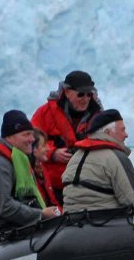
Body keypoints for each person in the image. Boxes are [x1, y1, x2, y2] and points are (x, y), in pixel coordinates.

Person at [0, 110, 62, 233]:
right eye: (26, 134)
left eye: (31, 134)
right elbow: (4, 206)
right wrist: (41, 214)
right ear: (10, 136)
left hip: (16, 227)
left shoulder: (16, 160)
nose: (32, 139)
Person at [31, 70, 103, 203]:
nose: (85, 99)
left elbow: (107, 142)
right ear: (67, 92)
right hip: (54, 186)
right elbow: (31, 142)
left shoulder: (98, 115)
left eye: (89, 94)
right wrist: (53, 153)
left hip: (87, 184)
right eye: (81, 94)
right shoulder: (44, 113)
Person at [62, 109, 134, 211]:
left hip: (70, 222)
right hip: (103, 222)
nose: (126, 135)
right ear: (107, 132)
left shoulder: (75, 157)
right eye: (122, 130)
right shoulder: (115, 157)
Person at [31, 128, 62, 208]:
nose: (48, 149)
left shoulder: (41, 168)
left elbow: (53, 202)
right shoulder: (27, 173)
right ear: (33, 149)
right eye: (44, 145)